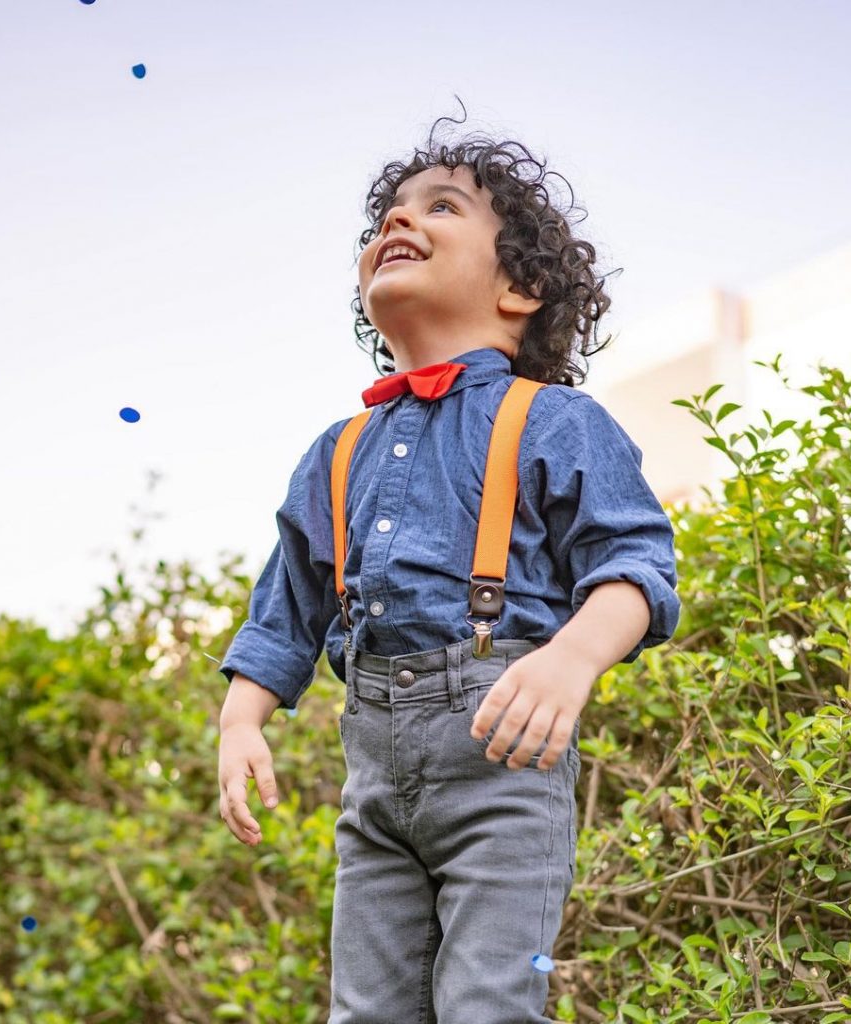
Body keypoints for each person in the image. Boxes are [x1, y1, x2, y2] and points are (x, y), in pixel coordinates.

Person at [217, 102, 681, 1023]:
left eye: (439, 208)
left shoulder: (553, 420)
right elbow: (286, 610)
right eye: (390, 212)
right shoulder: (336, 451)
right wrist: (241, 721)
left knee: (489, 1005)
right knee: (367, 1011)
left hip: (501, 769)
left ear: (518, 289)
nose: (399, 219)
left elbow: (636, 569)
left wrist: (572, 655)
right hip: (375, 784)